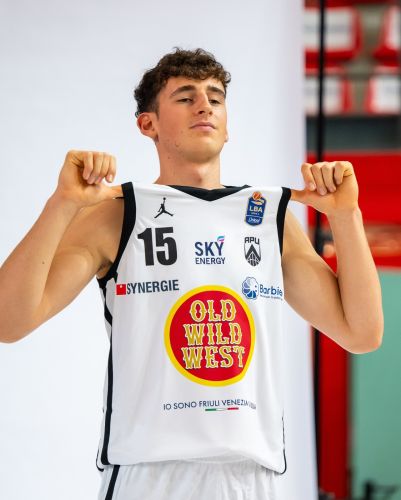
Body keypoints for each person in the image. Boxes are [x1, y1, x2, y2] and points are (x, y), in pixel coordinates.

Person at [0, 48, 383, 500]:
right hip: (150, 474)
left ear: (227, 124)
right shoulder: (118, 213)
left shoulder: (269, 218)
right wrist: (61, 205)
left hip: (249, 476)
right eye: (185, 97)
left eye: (215, 98)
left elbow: (362, 334)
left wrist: (346, 216)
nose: (204, 105)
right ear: (148, 124)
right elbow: (10, 321)